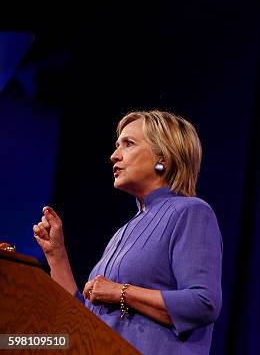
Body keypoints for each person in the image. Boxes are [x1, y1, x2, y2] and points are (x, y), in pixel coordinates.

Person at [33, 110, 223, 354]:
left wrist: (121, 292)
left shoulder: (191, 212)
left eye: (128, 144)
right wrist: (56, 256)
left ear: (162, 158)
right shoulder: (124, 231)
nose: (114, 156)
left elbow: (203, 303)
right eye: (116, 146)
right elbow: (84, 320)